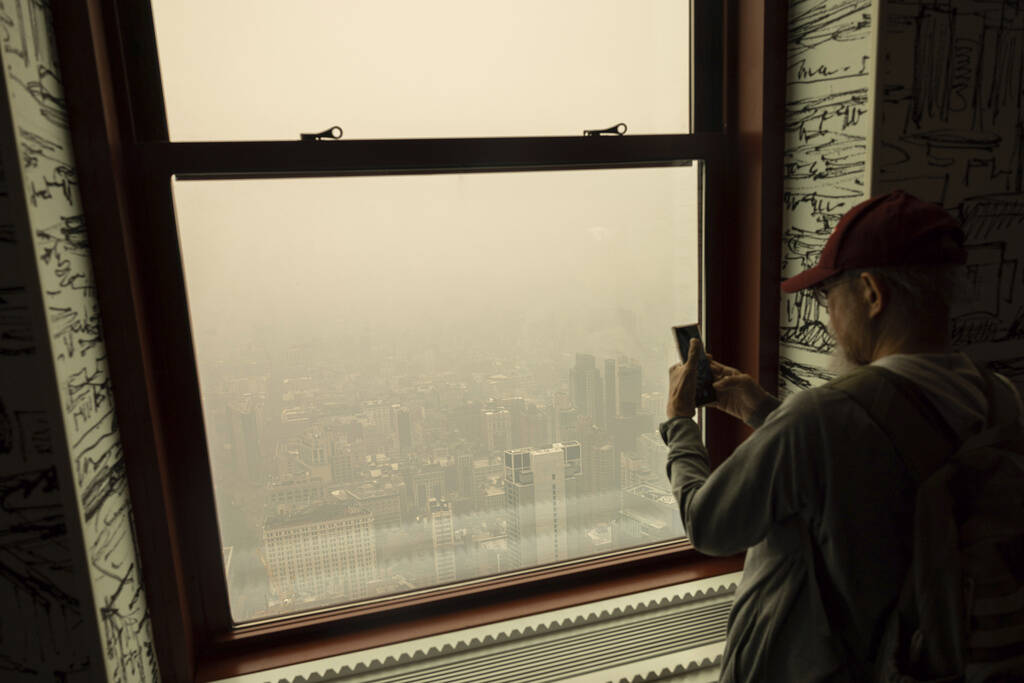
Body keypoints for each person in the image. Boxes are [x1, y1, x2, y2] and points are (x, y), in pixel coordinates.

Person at [661, 190, 1023, 681]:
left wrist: (680, 424)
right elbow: (861, 475)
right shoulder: (1002, 401)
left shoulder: (821, 417)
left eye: (828, 296)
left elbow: (708, 525)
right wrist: (763, 409)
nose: (828, 318)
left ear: (871, 293)